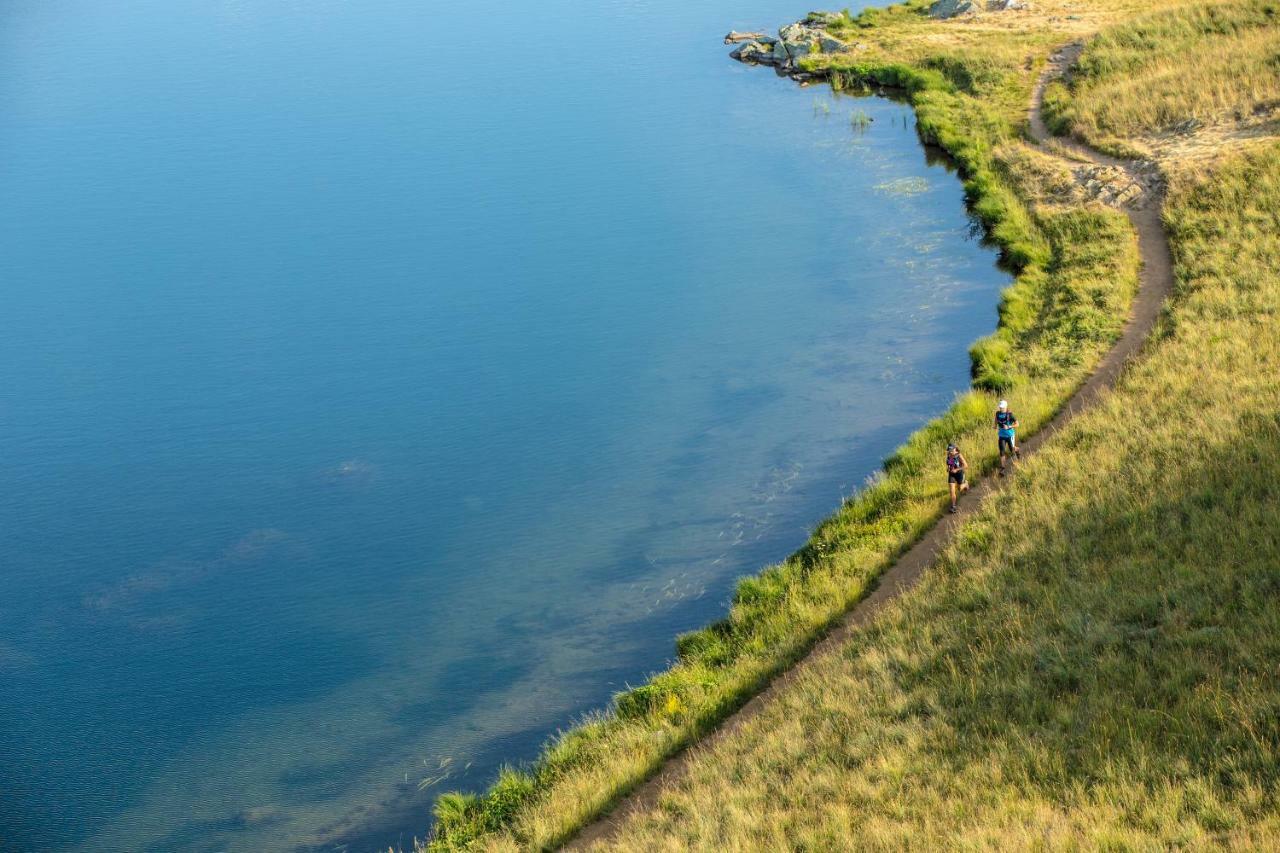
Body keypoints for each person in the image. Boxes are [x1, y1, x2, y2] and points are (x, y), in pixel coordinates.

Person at [995, 399, 1020, 474]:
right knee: (1002, 451)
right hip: (1001, 435)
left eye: (1002, 407)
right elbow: (996, 419)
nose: (1001, 409)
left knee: (1012, 450)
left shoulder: (1010, 415)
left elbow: (1017, 424)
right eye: (1000, 407)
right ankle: (1003, 468)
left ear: (1006, 407)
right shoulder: (997, 413)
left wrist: (1009, 426)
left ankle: (1017, 451)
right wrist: (995, 425)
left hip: (1010, 435)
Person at [946, 443, 969, 513]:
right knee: (952, 491)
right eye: (949, 450)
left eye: (951, 450)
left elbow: (966, 466)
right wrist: (948, 468)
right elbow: (949, 464)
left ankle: (966, 484)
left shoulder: (959, 456)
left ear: (955, 449)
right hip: (951, 474)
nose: (950, 451)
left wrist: (956, 470)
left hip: (959, 474)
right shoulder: (949, 455)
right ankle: (953, 506)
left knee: (959, 489)